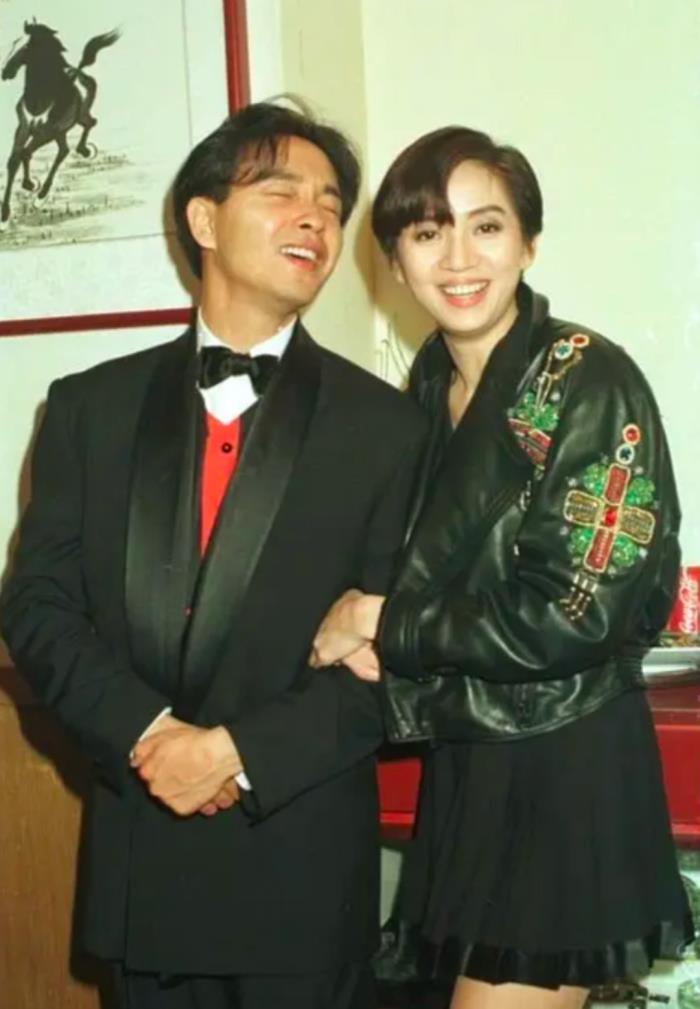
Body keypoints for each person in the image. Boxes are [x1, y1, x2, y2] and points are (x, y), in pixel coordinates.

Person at [0, 102, 426, 1009]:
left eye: (330, 203)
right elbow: (37, 607)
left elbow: (402, 657)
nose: (314, 218)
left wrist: (235, 753)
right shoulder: (87, 409)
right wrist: (148, 735)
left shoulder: (389, 429)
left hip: (301, 877)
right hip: (141, 868)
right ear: (203, 219)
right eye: (281, 192)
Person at [311, 125, 691, 1009]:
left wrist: (381, 621)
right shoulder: (425, 389)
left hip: (563, 758)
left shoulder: (588, 377)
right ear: (396, 261)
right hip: (470, 757)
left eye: (486, 227)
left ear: (528, 243)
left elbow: (576, 612)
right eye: (427, 232)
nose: (458, 258)